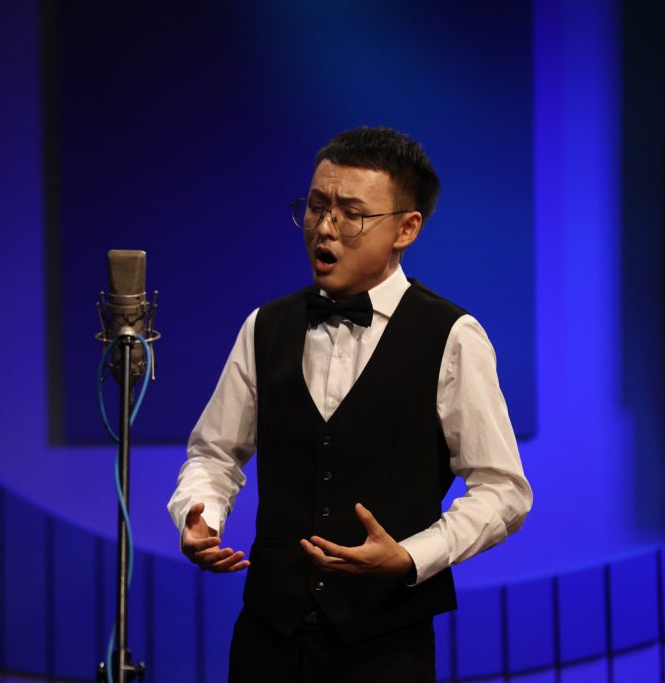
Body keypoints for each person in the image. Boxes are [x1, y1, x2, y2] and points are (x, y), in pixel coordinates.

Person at [167, 126, 532, 682]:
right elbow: (214, 453)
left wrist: (411, 555)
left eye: (352, 214)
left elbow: (503, 489)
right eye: (316, 207)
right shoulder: (265, 326)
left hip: (384, 648)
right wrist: (200, 514)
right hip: (268, 640)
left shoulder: (451, 335)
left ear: (407, 228)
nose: (325, 227)